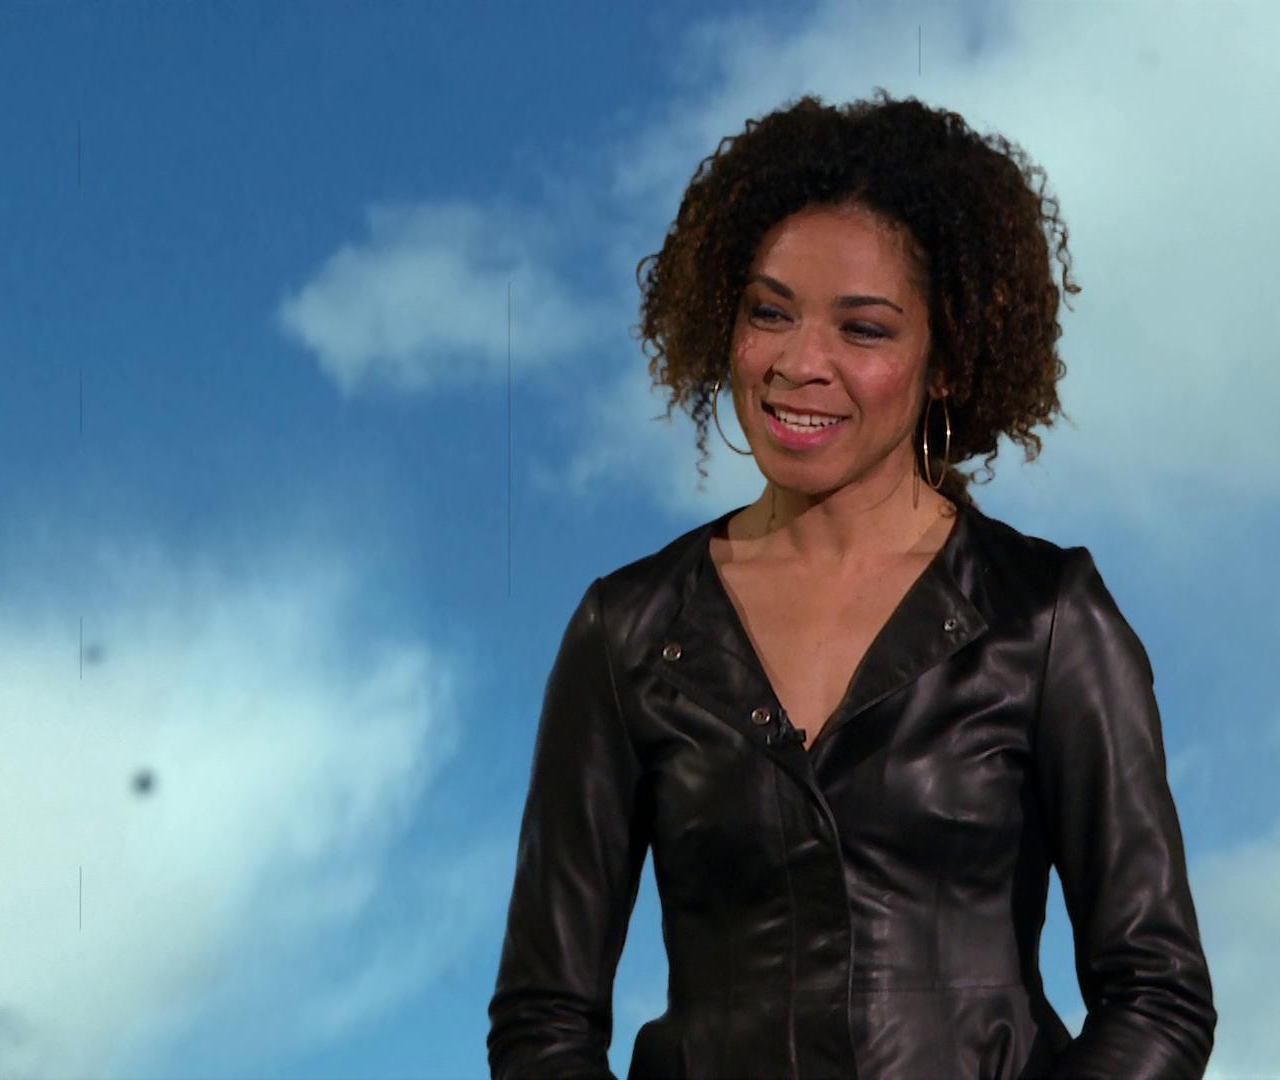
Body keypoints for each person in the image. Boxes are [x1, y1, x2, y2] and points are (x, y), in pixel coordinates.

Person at [487, 90, 1216, 1079]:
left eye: (863, 329)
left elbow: (1156, 996)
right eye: (769, 312)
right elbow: (544, 1022)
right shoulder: (626, 629)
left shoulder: (1046, 618)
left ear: (945, 359)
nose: (800, 363)